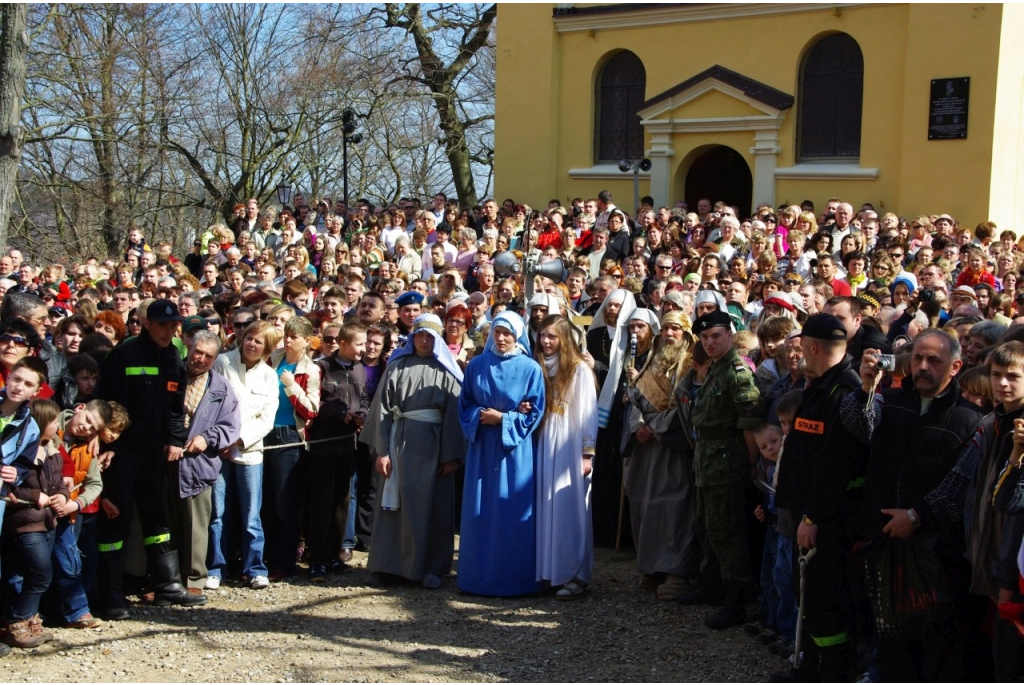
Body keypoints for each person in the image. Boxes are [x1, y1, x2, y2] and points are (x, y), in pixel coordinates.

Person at [844, 329, 981, 681]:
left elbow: (961, 485)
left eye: (934, 360)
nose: (923, 366)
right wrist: (866, 386)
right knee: (889, 641)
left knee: (935, 646)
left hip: (936, 555)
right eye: (918, 358)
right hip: (882, 542)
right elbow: (857, 428)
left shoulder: (968, 420)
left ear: (955, 367)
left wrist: (918, 516)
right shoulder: (890, 401)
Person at [96, 300, 207, 619]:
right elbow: (111, 404)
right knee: (117, 520)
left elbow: (176, 406)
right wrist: (112, 443)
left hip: (156, 454)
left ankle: (167, 585)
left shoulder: (173, 354)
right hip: (124, 452)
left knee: (159, 518)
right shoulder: (125, 353)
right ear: (147, 323)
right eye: (163, 325)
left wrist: (174, 440)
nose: (169, 331)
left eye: (174, 326)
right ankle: (110, 593)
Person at [773, 313, 864, 682]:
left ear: (812, 347)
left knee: (824, 600)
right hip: (808, 512)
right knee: (808, 596)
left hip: (826, 520)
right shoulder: (821, 384)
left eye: (801, 348)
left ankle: (831, 672)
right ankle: (809, 665)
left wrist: (812, 518)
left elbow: (836, 466)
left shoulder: (843, 392)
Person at [361, 314, 464, 589]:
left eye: (430, 336)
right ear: (412, 337)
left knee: (432, 510)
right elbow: (382, 411)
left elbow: (455, 416)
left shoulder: (448, 371)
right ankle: (387, 566)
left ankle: (430, 567)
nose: (424, 340)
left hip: (433, 451)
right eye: (420, 334)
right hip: (398, 446)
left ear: (439, 339)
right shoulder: (397, 366)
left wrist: (451, 455)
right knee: (392, 508)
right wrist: (382, 451)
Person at [681, 310, 762, 631]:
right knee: (707, 526)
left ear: (730, 335)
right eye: (705, 338)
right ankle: (711, 584)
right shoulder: (715, 369)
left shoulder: (738, 372)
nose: (710, 342)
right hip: (706, 461)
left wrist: (752, 465)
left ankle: (736, 600)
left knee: (728, 531)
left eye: (716, 336)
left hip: (728, 463)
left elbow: (750, 424)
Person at [458, 311, 545, 596]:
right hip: (482, 448)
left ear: (517, 335)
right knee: (480, 511)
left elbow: (534, 410)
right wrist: (483, 415)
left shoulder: (531, 368)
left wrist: (504, 420)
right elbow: (465, 403)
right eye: (497, 332)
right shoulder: (477, 365)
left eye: (508, 333)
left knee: (511, 512)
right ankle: (476, 578)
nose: (502, 338)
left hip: (514, 453)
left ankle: (514, 580)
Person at [624, 310, 700, 601]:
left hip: (672, 449)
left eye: (676, 329)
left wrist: (654, 427)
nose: (670, 334)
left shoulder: (689, 367)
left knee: (674, 508)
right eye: (666, 328)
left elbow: (687, 409)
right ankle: (651, 567)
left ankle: (675, 573)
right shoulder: (649, 364)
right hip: (645, 450)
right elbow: (633, 400)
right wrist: (637, 427)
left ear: (686, 334)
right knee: (645, 505)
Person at [208, 320, 280, 590]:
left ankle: (255, 568)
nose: (251, 343)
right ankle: (216, 568)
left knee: (251, 513)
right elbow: (212, 405)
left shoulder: (269, 376)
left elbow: (266, 418)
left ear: (267, 348)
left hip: (250, 452)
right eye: (249, 337)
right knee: (218, 512)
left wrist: (238, 439)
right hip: (218, 450)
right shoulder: (222, 363)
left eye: (258, 341)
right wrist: (222, 440)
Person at [169, 331, 240, 592]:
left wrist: (207, 438)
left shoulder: (221, 387)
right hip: (167, 459)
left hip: (199, 463)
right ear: (189, 347)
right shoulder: (172, 375)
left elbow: (231, 426)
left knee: (196, 526)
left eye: (208, 356)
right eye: (198, 352)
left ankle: (194, 579)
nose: (201, 359)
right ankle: (165, 579)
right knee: (167, 523)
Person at [533, 315, 598, 599]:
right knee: (547, 508)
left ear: (564, 339)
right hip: (544, 442)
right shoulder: (537, 367)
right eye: (542, 336)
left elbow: (587, 413)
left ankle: (575, 575)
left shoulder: (578, 370)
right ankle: (550, 572)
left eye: (552, 337)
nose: (546, 342)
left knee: (569, 509)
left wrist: (587, 453)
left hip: (570, 445)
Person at [2, 399, 67, 649]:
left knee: (32, 574)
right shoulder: (24, 453)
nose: (57, 424)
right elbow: (13, 484)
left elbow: (59, 481)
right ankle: (18, 621)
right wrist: (33, 496)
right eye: (53, 421)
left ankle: (31, 619)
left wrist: (62, 495)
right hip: (27, 521)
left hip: (47, 520)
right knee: (40, 575)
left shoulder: (52, 451)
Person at [305, 323, 369, 582]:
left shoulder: (359, 369)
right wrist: (339, 413)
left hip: (347, 446)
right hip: (323, 446)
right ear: (342, 344)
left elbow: (364, 398)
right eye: (359, 344)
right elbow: (311, 401)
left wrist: (362, 414)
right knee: (321, 503)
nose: (364, 350)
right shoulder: (321, 368)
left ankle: (334, 555)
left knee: (342, 502)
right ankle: (317, 559)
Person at [265, 316, 320, 579]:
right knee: (265, 499)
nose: (287, 340)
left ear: (307, 341)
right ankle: (262, 558)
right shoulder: (273, 358)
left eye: (294, 337)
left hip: (288, 437)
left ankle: (282, 562)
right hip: (263, 433)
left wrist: (291, 386)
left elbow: (311, 410)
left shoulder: (311, 369)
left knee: (283, 502)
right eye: (286, 335)